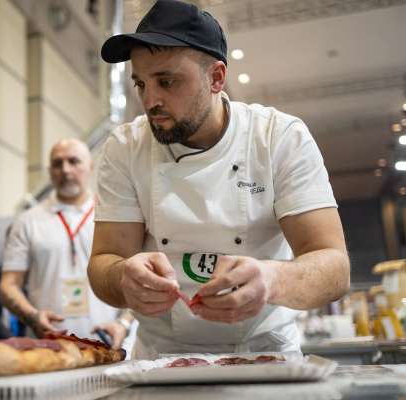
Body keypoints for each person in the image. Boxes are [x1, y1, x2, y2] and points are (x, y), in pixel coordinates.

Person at [88, 0, 350, 359]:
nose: (151, 101)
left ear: (216, 78)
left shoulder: (278, 137)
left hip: (263, 354)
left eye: (167, 81)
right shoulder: (124, 148)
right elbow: (105, 260)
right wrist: (122, 278)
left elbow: (334, 266)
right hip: (162, 359)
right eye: (141, 84)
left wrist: (272, 279)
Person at [0, 138, 133, 349]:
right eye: (57, 163)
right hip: (47, 348)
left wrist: (123, 323)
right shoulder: (27, 221)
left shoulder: (114, 216)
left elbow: (138, 276)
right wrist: (33, 316)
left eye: (73, 161)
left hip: (108, 345)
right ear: (50, 170)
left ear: (90, 167)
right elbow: (8, 285)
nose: (65, 169)